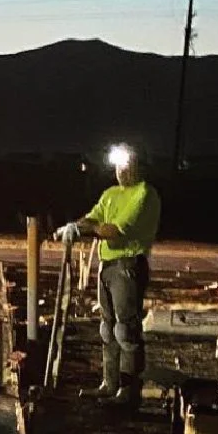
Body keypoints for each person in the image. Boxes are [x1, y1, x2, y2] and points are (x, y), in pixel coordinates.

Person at [56, 143, 162, 408]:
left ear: (138, 166)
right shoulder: (111, 194)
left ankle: (128, 392)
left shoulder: (145, 195)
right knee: (107, 328)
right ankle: (109, 384)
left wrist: (86, 230)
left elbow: (115, 230)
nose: (121, 171)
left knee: (126, 329)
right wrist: (75, 226)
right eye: (118, 166)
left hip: (128, 265)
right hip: (106, 266)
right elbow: (93, 218)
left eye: (126, 165)